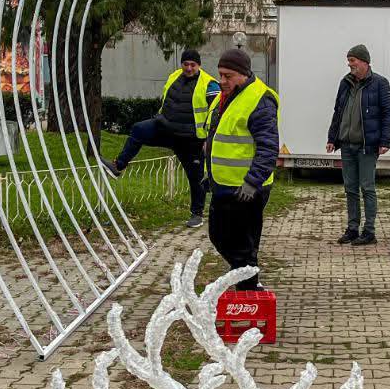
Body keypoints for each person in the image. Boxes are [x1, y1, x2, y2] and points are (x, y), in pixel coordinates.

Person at [100, 47, 218, 228]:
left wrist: (208, 140)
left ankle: (197, 214)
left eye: (192, 65)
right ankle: (118, 166)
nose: (188, 68)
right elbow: (166, 101)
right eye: (185, 64)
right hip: (165, 129)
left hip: (190, 139)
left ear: (199, 65)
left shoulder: (210, 85)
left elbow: (216, 113)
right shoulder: (174, 77)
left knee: (195, 178)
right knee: (139, 129)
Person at [205, 48, 279, 288]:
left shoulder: (260, 100)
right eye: (220, 75)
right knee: (220, 236)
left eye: (228, 76)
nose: (222, 81)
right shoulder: (225, 97)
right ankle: (248, 280)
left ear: (243, 74)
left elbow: (268, 148)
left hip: (247, 189)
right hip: (224, 184)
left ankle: (247, 289)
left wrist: (252, 181)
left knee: (241, 242)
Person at [325, 43, 390, 245]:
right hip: (347, 145)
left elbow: (389, 113)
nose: (350, 65)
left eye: (353, 61)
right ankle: (352, 228)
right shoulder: (345, 83)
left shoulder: (380, 84)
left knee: (367, 187)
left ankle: (369, 231)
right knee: (350, 188)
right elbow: (338, 112)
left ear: (364, 61)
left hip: (367, 146)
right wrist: (332, 138)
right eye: (349, 61)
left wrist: (385, 140)